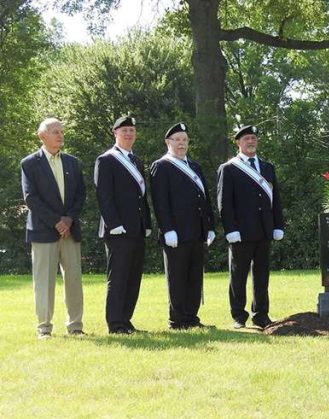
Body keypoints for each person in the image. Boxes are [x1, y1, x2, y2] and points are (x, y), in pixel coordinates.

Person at [20, 118, 87, 339]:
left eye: (62, 131)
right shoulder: (29, 164)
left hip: (69, 230)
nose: (60, 135)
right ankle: (44, 328)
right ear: (42, 136)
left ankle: (75, 326)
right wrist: (56, 221)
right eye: (55, 131)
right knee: (44, 281)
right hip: (43, 230)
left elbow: (80, 195)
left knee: (74, 279)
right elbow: (31, 199)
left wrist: (68, 219)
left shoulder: (72, 162)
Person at [217, 124, 285, 329]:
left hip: (264, 230)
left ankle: (261, 314)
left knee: (262, 276)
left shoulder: (267, 167)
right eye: (246, 139)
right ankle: (238, 315)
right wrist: (230, 229)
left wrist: (278, 225)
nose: (251, 141)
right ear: (238, 143)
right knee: (238, 276)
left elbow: (276, 200)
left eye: (254, 138)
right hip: (241, 232)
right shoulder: (228, 168)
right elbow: (224, 203)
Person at [150, 123, 216, 330]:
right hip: (176, 233)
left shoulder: (195, 166)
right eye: (177, 140)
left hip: (197, 232)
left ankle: (191, 318)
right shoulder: (161, 166)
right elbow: (160, 202)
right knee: (177, 278)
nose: (181, 143)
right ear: (168, 143)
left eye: (184, 140)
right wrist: (167, 229)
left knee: (195, 278)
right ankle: (177, 320)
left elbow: (205, 199)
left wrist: (210, 227)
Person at [94, 115, 152, 334]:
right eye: (124, 130)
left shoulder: (136, 161)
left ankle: (126, 321)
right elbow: (104, 196)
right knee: (118, 277)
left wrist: (146, 222)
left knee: (133, 277)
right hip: (118, 230)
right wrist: (114, 224)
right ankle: (115, 323)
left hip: (136, 228)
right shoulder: (106, 160)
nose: (129, 134)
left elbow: (141, 197)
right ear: (115, 133)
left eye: (132, 131)